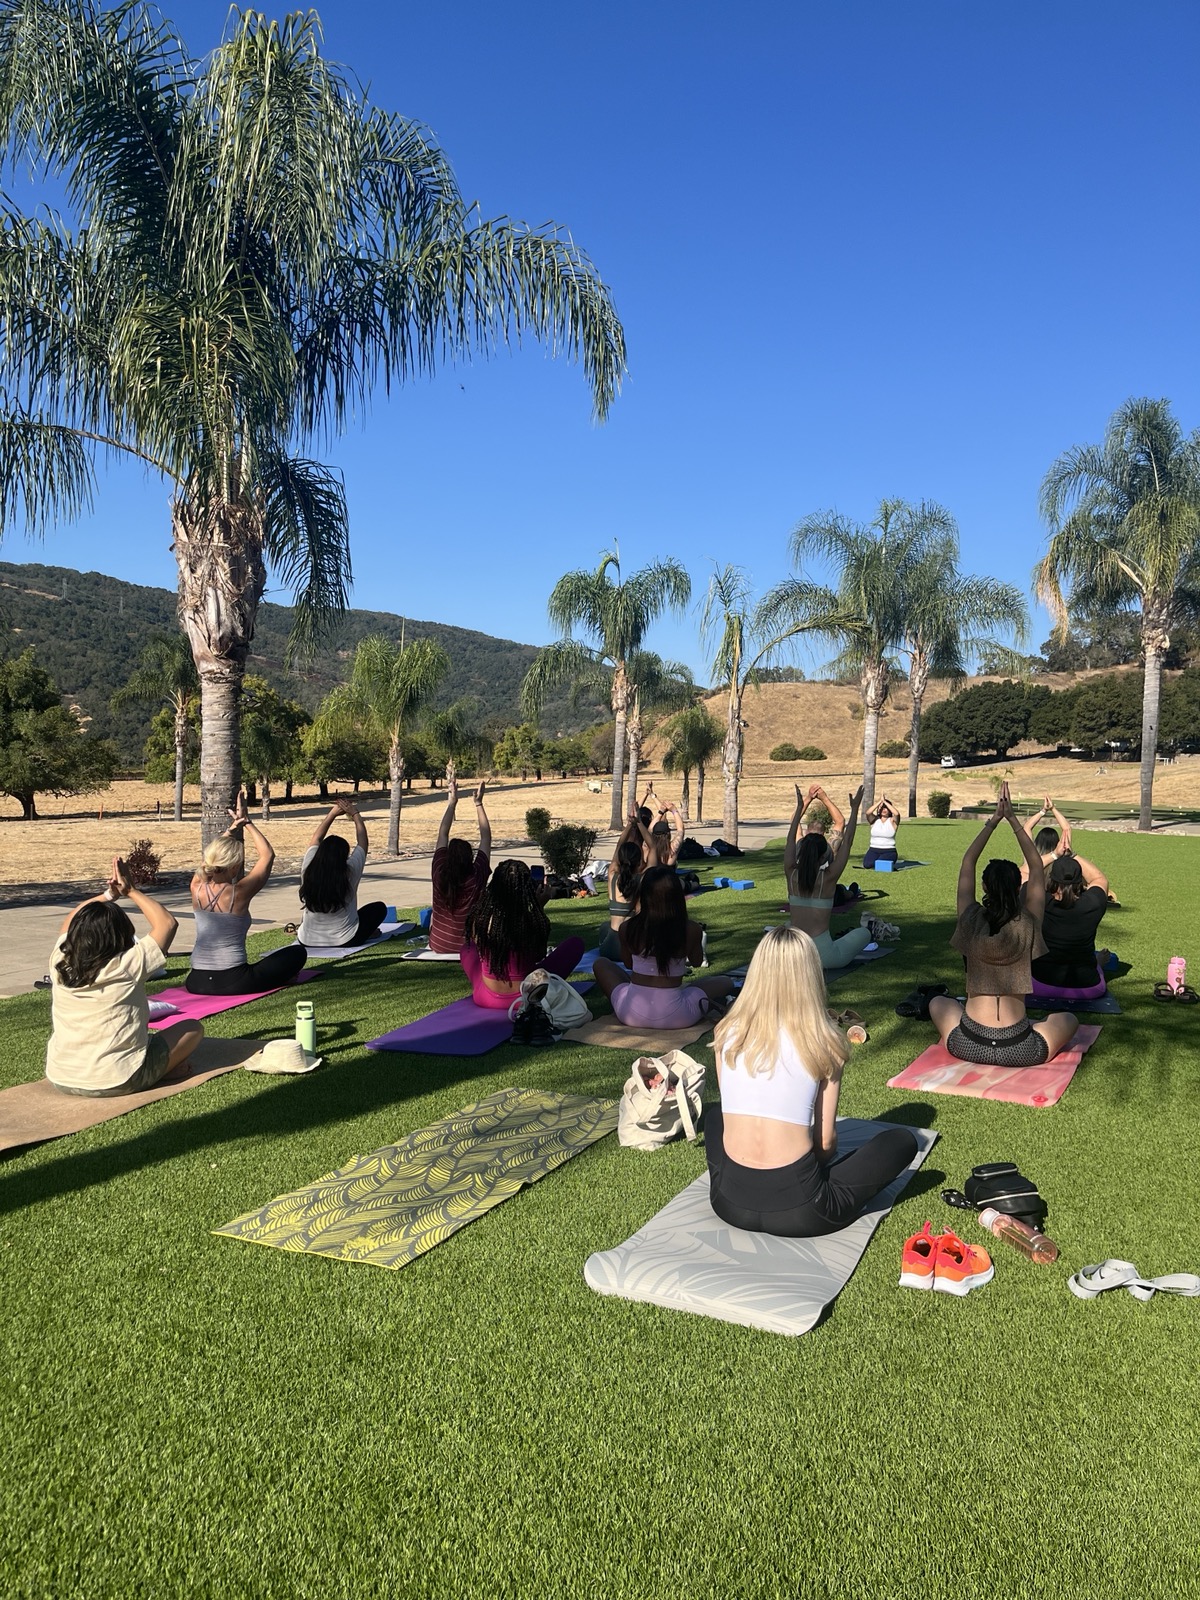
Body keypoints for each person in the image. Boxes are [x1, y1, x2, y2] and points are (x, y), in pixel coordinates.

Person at [705, 926, 918, 1236]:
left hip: (727, 1202)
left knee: (715, 1116)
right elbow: (825, 1145)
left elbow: (731, 1113)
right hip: (804, 1211)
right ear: (810, 975)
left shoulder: (726, 1032)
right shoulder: (823, 1043)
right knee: (902, 1141)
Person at [929, 783, 1077, 1066]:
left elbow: (968, 862)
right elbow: (1036, 867)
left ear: (984, 886)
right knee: (1068, 1019)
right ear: (1017, 886)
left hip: (968, 1043)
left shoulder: (970, 919)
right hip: (1020, 1048)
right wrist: (1012, 819)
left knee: (938, 1002)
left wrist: (994, 820)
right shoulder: (1028, 923)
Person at [46, 856, 204, 1096]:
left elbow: (71, 920)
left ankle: (158, 1068)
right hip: (119, 1079)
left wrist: (108, 895)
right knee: (192, 1028)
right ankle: (160, 1071)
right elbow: (167, 924)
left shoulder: (60, 961)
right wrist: (130, 890)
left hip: (61, 1077)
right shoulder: (127, 965)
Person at [186, 802, 307, 994]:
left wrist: (231, 830)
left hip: (195, 982)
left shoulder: (196, 887)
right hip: (234, 981)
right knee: (297, 952)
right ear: (235, 867)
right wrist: (247, 822)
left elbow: (209, 859)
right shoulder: (239, 893)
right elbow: (267, 855)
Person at [592, 865, 733, 1028]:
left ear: (644, 895)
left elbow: (629, 964)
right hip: (678, 1017)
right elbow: (696, 962)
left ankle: (645, 992)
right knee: (725, 982)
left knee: (601, 964)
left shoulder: (628, 927)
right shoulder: (691, 929)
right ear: (677, 896)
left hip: (630, 1013)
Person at [461, 860, 585, 1008]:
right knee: (576, 944)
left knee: (467, 948)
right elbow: (539, 955)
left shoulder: (481, 918)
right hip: (527, 995)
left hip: (485, 997)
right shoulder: (529, 921)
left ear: (494, 885)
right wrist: (538, 907)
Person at [784, 786, 875, 969]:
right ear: (823, 857)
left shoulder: (791, 872)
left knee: (787, 925)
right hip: (824, 958)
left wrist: (802, 804)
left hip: (793, 955)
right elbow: (847, 842)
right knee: (864, 934)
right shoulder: (828, 878)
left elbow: (790, 838)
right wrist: (855, 808)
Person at [298, 799, 387, 948]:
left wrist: (332, 814)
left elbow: (316, 838)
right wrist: (355, 814)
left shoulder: (308, 868)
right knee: (379, 908)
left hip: (306, 940)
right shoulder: (349, 871)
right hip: (345, 940)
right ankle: (368, 933)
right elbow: (363, 843)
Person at [1030, 854, 1111, 1003]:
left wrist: (1055, 854)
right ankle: (1096, 964)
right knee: (1091, 964)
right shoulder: (1093, 903)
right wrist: (1073, 854)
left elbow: (1024, 872)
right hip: (1089, 989)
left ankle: (1096, 963)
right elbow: (1099, 879)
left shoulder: (1039, 901)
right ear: (1080, 882)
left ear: (1051, 880)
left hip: (1040, 984)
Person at [429, 779, 491, 954]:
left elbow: (443, 833)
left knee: (434, 916)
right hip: (470, 947)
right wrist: (478, 804)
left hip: (439, 944)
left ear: (448, 857)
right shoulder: (476, 876)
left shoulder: (439, 873)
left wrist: (452, 802)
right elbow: (486, 838)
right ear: (470, 858)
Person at [1019, 796, 1113, 899]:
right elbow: (1066, 829)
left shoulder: (1031, 858)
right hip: (1058, 898)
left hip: (1036, 898)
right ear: (1057, 843)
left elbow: (1027, 828)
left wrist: (1043, 811)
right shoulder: (1062, 855)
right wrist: (1053, 808)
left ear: (1037, 842)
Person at [599, 806, 644, 961]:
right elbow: (652, 847)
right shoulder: (641, 879)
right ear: (639, 862)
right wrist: (639, 823)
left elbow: (619, 846)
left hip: (607, 949)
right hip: (628, 948)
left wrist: (630, 824)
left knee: (605, 926)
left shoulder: (612, 876)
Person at [863, 795, 900, 869]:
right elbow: (868, 813)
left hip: (889, 851)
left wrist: (885, 802)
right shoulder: (874, 820)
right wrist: (880, 802)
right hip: (873, 849)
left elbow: (896, 814)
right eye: (882, 808)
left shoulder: (892, 821)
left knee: (880, 864)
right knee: (867, 864)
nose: (884, 810)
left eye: (886, 808)